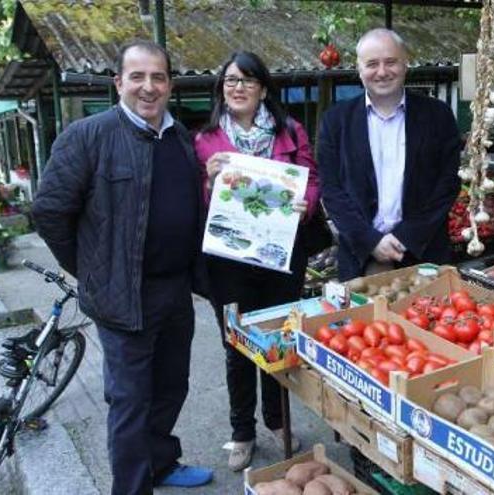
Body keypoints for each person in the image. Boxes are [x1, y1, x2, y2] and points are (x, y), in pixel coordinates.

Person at [32, 40, 212, 494]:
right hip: (121, 297)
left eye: (158, 77)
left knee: (172, 387)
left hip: (174, 291)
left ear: (170, 84)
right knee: (131, 401)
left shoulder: (181, 138)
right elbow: (50, 211)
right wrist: (90, 270)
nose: (148, 87)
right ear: (118, 82)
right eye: (137, 76)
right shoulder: (87, 136)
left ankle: (163, 464)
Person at [194, 51, 319, 471]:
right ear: (222, 88)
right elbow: (194, 197)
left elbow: (311, 179)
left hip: (281, 258)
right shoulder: (206, 140)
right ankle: (241, 432)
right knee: (237, 346)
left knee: (278, 339)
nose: (238, 87)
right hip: (228, 262)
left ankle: (277, 420)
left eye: (248, 80)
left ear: (263, 88)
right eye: (231, 80)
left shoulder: (291, 131)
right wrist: (208, 180)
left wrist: (308, 204)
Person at [317, 28, 462, 281]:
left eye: (391, 62)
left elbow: (448, 184)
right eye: (372, 64)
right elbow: (331, 190)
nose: (382, 72)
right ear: (359, 69)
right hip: (359, 258)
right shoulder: (336, 121)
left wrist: (405, 237)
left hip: (424, 253)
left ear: (406, 64)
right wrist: (370, 241)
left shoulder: (438, 116)